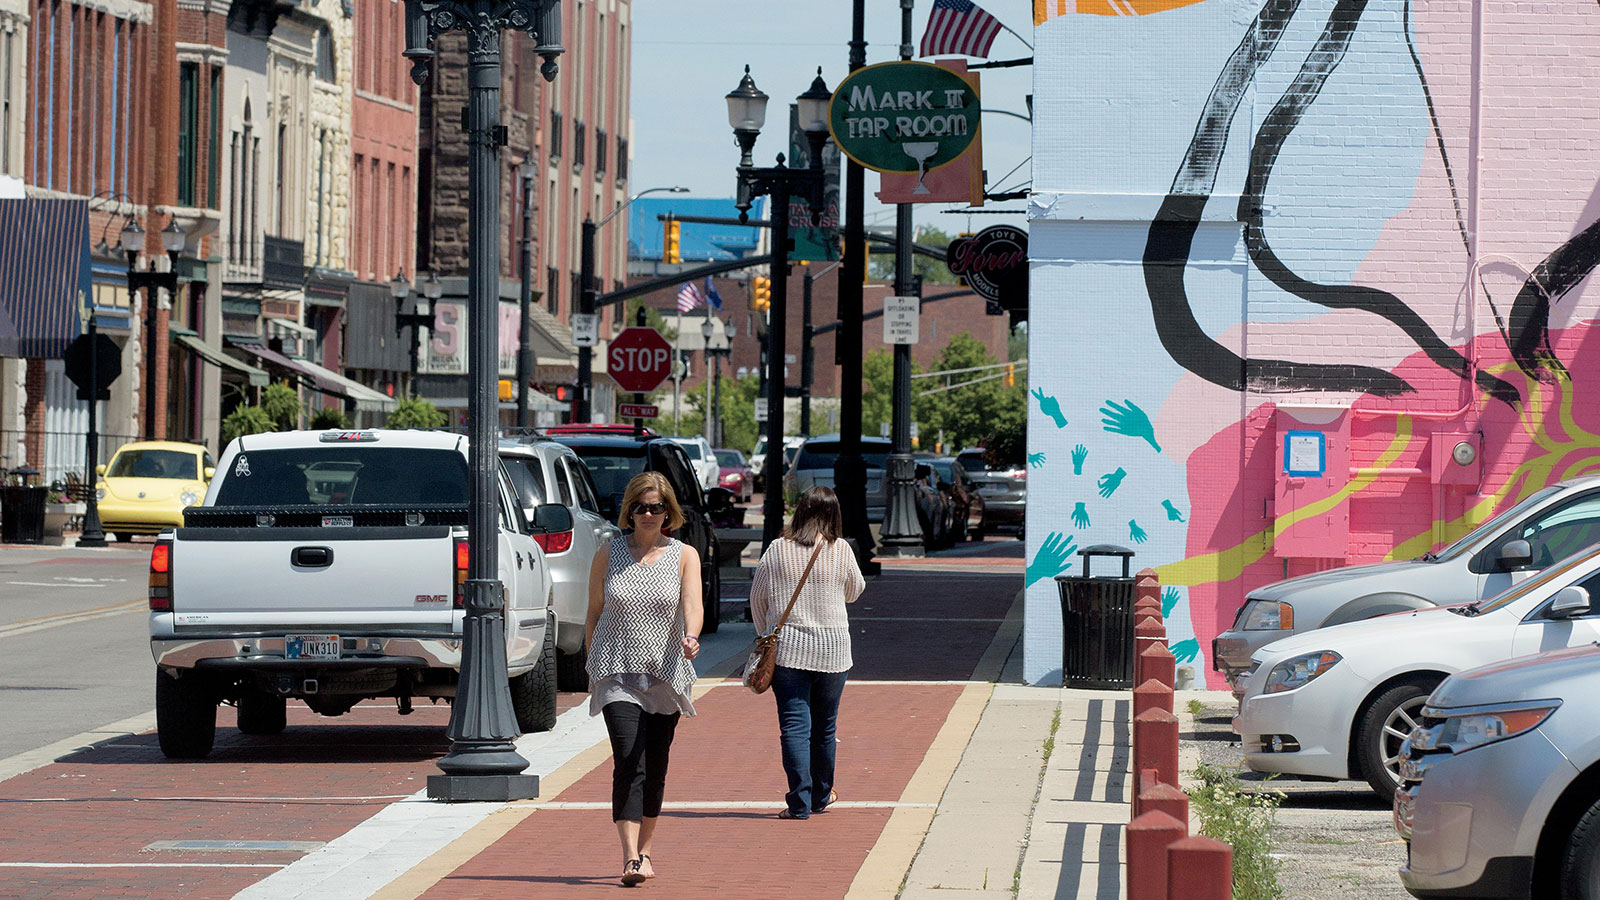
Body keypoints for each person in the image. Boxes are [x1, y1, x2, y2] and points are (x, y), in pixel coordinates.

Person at [585, 471, 702, 886]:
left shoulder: (684, 554)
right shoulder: (609, 552)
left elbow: (693, 604)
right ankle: (630, 857)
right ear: (629, 511)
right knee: (628, 759)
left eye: (657, 508)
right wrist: (591, 660)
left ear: (668, 512)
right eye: (641, 507)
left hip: (665, 673)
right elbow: (594, 611)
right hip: (616, 671)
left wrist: (691, 635)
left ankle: (647, 848)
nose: (649, 514)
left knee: (655, 766)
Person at [749, 486, 866, 820]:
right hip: (833, 652)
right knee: (825, 728)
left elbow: (758, 598)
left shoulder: (777, 549)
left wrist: (765, 634)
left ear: (799, 511)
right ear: (834, 515)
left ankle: (798, 803)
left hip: (787, 651)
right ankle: (821, 795)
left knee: (795, 728)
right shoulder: (840, 549)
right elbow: (855, 592)